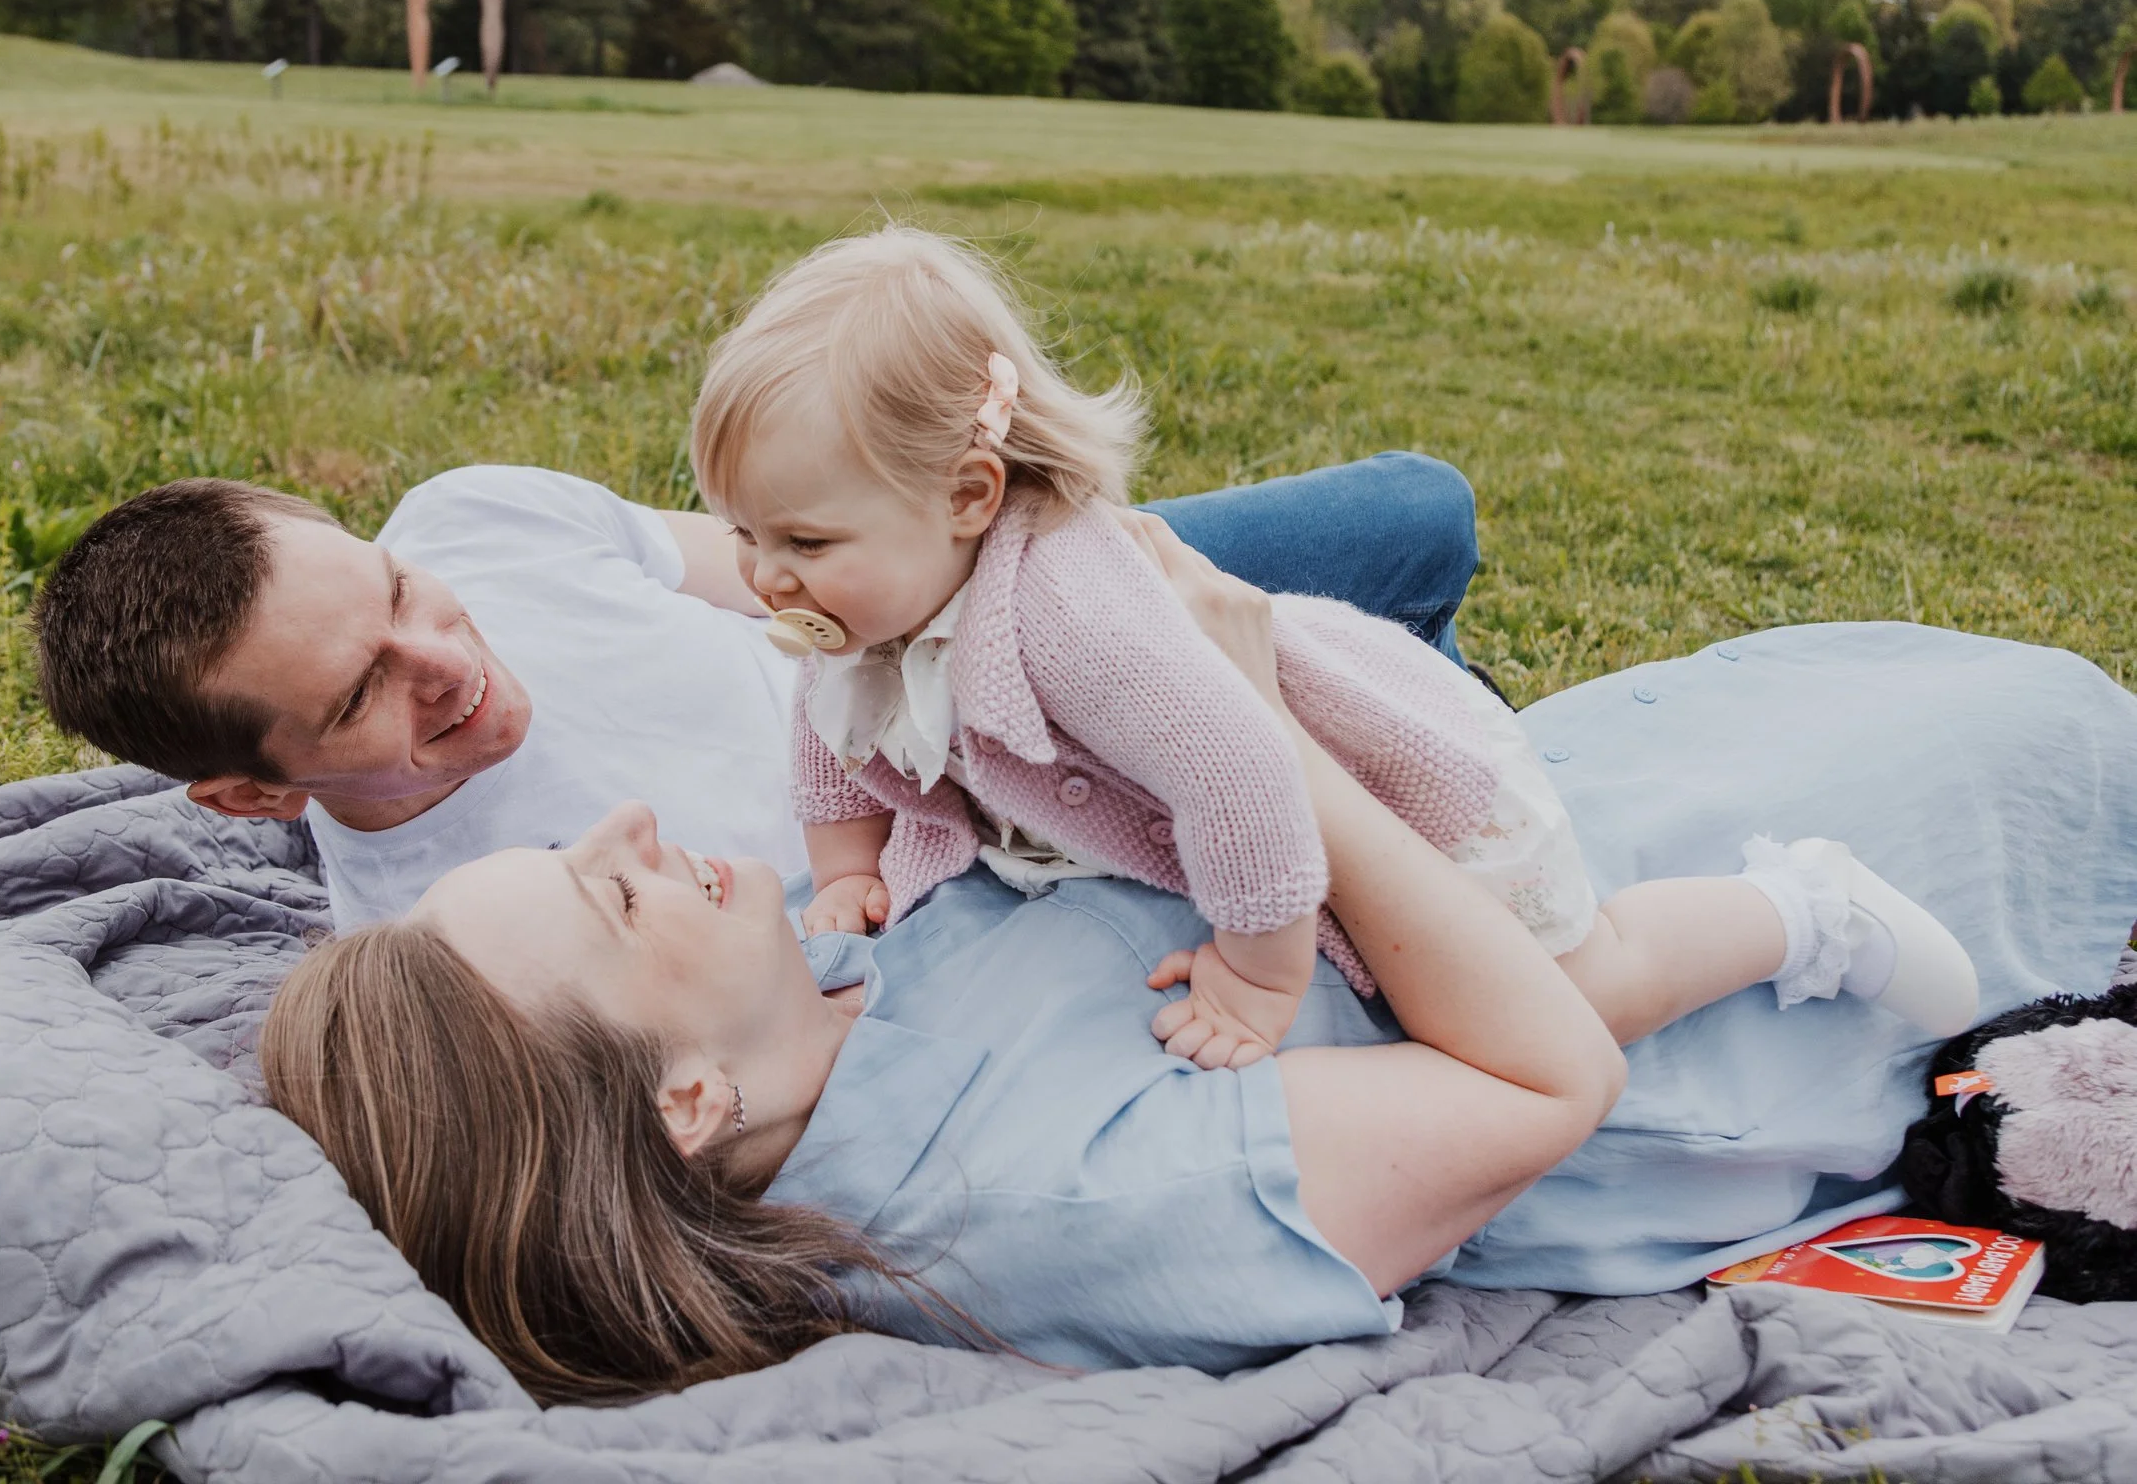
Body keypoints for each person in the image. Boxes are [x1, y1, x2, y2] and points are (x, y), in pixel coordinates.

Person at [259, 535, 2137, 1403]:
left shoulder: (822, 1001)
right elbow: (1541, 1074)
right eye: (604, 900)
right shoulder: (1042, 1208)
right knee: (2047, 733)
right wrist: (1249, 731)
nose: (624, 833)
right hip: (1714, 1002)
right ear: (687, 1104)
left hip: (1504, 836)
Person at [688, 229, 1975, 1064]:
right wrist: (845, 855)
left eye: (797, 538)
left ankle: (1798, 908)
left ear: (969, 495)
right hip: (1244, 781)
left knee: (1573, 995)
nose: (763, 575)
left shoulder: (1074, 621)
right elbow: (829, 711)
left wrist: (1256, 975)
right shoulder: (867, 591)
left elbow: (1246, 776)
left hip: (1390, 772)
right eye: (742, 531)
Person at [30, 442, 1483, 931]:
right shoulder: (465, 934)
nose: (448, 662)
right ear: (248, 794)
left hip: (956, 626)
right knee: (1383, 801)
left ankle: (1441, 725)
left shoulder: (472, 512)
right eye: (361, 698)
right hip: (1013, 809)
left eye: (398, 594)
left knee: (1419, 514)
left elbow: (764, 570)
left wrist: (1051, 568)